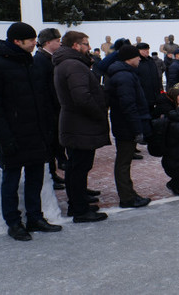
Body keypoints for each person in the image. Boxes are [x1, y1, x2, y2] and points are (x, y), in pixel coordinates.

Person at [0, 22, 63, 241]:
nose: (36, 42)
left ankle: (35, 217)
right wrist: (4, 137)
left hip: (35, 133)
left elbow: (41, 99)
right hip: (12, 135)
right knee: (11, 180)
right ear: (17, 41)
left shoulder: (32, 62)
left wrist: (47, 130)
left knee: (35, 177)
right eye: (31, 39)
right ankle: (14, 223)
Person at [53, 31, 109, 223]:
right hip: (80, 124)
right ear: (76, 46)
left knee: (77, 167)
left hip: (76, 123)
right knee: (78, 168)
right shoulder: (74, 65)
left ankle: (78, 205)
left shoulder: (69, 63)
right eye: (85, 44)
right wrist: (99, 113)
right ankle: (79, 209)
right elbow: (82, 98)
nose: (88, 47)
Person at [106, 45, 152, 208]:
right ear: (129, 58)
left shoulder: (124, 74)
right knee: (123, 162)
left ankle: (129, 194)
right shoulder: (124, 76)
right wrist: (137, 129)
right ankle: (127, 198)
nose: (140, 59)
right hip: (125, 126)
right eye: (137, 56)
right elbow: (129, 106)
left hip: (124, 125)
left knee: (124, 161)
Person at [33, 28, 67, 191]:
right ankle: (51, 175)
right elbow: (43, 89)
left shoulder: (50, 58)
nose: (59, 43)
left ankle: (54, 174)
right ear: (48, 42)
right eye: (57, 41)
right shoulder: (40, 60)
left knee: (55, 144)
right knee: (50, 145)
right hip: (49, 110)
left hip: (55, 108)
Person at [135, 42, 163, 116]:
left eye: (147, 49)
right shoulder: (137, 62)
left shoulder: (151, 61)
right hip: (143, 95)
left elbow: (156, 76)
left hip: (154, 95)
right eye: (144, 50)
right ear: (138, 51)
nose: (147, 51)